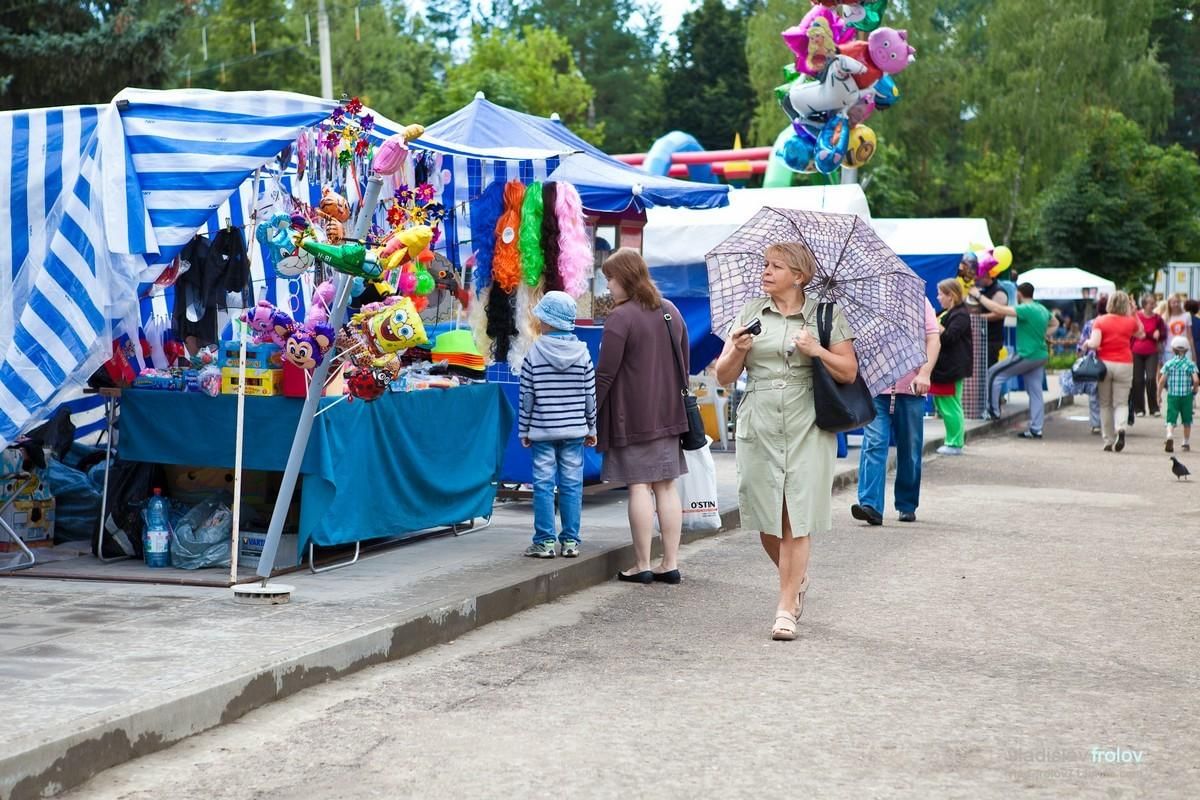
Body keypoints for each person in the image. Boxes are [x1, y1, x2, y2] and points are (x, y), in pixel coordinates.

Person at [714, 242, 858, 641]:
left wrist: (817, 351)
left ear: (799, 275)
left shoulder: (826, 315)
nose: (766, 271)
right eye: (765, 264)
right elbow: (723, 376)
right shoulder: (749, 313)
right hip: (758, 421)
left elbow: (847, 371)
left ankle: (785, 608)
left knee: (797, 516)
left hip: (807, 422)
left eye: (776, 266)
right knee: (765, 518)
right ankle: (796, 581)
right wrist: (737, 353)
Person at [595, 249, 689, 585]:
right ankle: (671, 563)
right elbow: (684, 364)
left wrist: (593, 412)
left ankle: (643, 564)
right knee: (666, 487)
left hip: (631, 415)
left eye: (610, 277)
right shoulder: (669, 311)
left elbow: (605, 374)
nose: (608, 285)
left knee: (639, 486)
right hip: (670, 413)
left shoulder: (620, 318)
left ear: (625, 277)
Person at [519, 292, 597, 559]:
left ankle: (544, 541)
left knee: (542, 484)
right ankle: (571, 542)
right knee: (572, 485)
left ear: (548, 322)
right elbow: (590, 395)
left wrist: (524, 428)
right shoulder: (583, 354)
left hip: (542, 429)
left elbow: (527, 395)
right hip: (575, 431)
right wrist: (592, 427)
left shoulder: (534, 352)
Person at [852, 297, 940, 525]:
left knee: (910, 447)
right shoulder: (867, 302)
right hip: (876, 387)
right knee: (874, 443)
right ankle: (870, 505)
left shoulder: (918, 301)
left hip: (911, 388)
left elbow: (933, 338)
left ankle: (907, 503)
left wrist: (925, 373)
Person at [972, 282, 1057, 437]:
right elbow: (1055, 323)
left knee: (993, 373)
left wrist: (978, 296)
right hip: (1040, 354)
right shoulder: (1042, 308)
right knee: (1035, 391)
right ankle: (1036, 429)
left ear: (1019, 294)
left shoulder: (1026, 309)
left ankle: (993, 412)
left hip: (1027, 354)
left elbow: (998, 309)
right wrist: (1044, 335)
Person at [1086, 290, 1145, 453]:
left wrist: (1087, 342)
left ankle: (1108, 440)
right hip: (1125, 363)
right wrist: (1134, 314)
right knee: (1121, 403)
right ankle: (1121, 429)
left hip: (1105, 364)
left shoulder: (1100, 320)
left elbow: (1095, 343)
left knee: (1105, 403)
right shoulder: (1129, 322)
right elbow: (1141, 333)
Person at [930, 279, 973, 456]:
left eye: (941, 294)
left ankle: (955, 442)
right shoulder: (950, 312)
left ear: (951, 295)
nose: (938, 297)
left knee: (951, 406)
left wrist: (935, 324)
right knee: (944, 404)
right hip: (944, 368)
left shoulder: (961, 314)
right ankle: (952, 440)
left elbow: (949, 337)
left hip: (951, 368)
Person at [1158, 335, 1199, 453]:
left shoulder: (1169, 364)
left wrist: (1158, 395)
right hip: (1186, 396)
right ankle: (1185, 443)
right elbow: (1196, 380)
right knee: (1187, 420)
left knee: (1171, 419)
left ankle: (1170, 435)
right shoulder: (1190, 364)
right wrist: (1194, 388)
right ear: (1187, 350)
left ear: (1173, 349)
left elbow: (1161, 381)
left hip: (1173, 396)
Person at [1077, 295, 1108, 435]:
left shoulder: (1090, 323)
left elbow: (1082, 344)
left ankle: (1096, 424)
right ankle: (1108, 424)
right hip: (1110, 360)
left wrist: (1080, 355)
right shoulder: (1114, 322)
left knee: (1094, 394)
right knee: (1108, 395)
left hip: (1093, 363)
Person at [1133, 294, 1167, 417]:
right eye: (1150, 303)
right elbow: (1136, 332)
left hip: (1152, 351)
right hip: (1136, 351)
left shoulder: (1157, 318)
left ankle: (1154, 408)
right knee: (1137, 380)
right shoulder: (1137, 316)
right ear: (1144, 304)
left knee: (1151, 378)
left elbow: (1164, 333)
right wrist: (1151, 334)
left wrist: (1159, 334)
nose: (1153, 305)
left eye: (1154, 303)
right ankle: (1139, 408)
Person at [971, 269, 1009, 368]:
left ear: (987, 276)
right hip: (978, 339)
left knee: (988, 371)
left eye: (978, 277)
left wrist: (976, 318)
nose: (975, 280)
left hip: (991, 340)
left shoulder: (999, 291)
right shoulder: (982, 290)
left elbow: (1000, 314)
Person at [1162, 295, 1196, 362]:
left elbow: (1190, 336)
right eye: (1173, 302)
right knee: (1171, 372)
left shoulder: (1187, 316)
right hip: (1170, 350)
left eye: (1178, 302)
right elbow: (1163, 336)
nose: (1176, 304)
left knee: (1185, 371)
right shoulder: (1165, 317)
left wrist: (1193, 352)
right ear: (1169, 304)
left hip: (1185, 349)